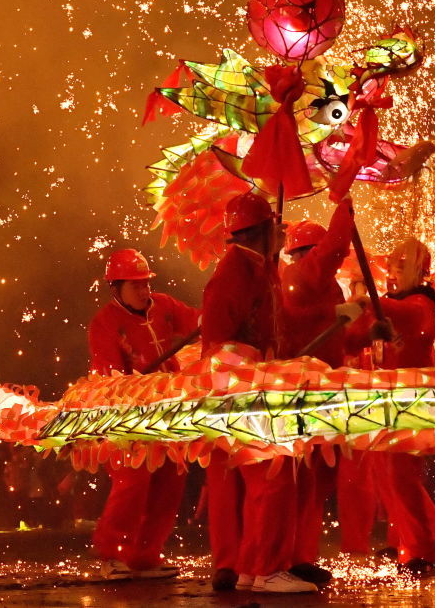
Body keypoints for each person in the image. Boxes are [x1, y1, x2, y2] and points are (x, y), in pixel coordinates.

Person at [201, 192, 317, 594]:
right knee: (273, 479)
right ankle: (266, 570)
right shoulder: (235, 272)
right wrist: (250, 376)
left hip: (256, 385)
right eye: (275, 227)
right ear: (260, 231)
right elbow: (218, 341)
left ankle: (254, 568)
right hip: (244, 389)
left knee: (268, 480)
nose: (281, 233)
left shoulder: (257, 267)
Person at [89, 249, 199, 579]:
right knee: (132, 483)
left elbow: (197, 321)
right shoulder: (104, 323)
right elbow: (110, 377)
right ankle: (112, 554)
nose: (143, 291)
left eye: (145, 284)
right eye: (135, 285)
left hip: (168, 410)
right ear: (116, 287)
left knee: (171, 482)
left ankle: (145, 555)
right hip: (127, 417)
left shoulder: (165, 305)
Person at [346, 238, 435, 574]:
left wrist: (375, 305)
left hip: (409, 402)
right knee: (386, 475)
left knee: (401, 476)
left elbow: (415, 320)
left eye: (398, 265)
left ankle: (421, 550)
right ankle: (406, 540)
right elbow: (353, 338)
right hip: (382, 400)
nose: (391, 271)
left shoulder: (422, 302)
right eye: (390, 264)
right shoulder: (386, 305)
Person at [278, 200, 361, 586]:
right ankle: (288, 557)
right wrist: (344, 207)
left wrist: (366, 333)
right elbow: (336, 247)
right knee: (296, 483)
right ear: (305, 255)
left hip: (322, 390)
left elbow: (337, 334)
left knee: (314, 483)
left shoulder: (327, 285)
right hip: (300, 390)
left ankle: (301, 555)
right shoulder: (302, 277)